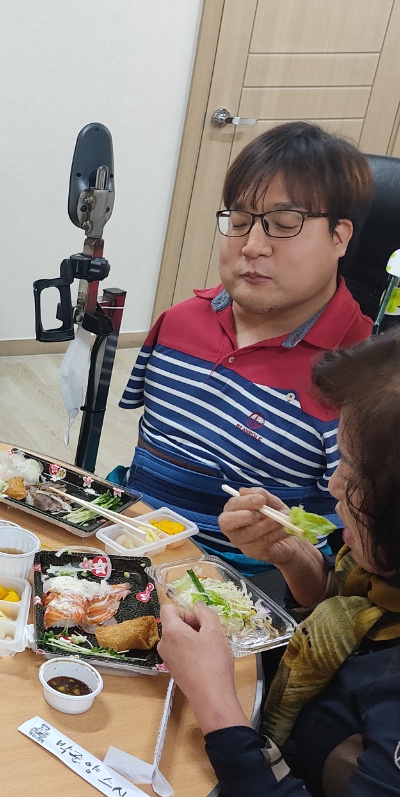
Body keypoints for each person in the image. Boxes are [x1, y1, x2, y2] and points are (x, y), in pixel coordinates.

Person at [82, 312, 400, 797]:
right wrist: (299, 562)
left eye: (355, 474)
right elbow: (362, 630)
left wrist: (218, 706)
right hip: (291, 778)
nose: (334, 484)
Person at [118, 121, 374, 584]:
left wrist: (289, 557)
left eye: (284, 224)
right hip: (126, 546)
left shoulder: (363, 378)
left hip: (245, 592)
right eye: (238, 223)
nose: (252, 246)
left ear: (339, 236)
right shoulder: (179, 322)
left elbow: (345, 582)